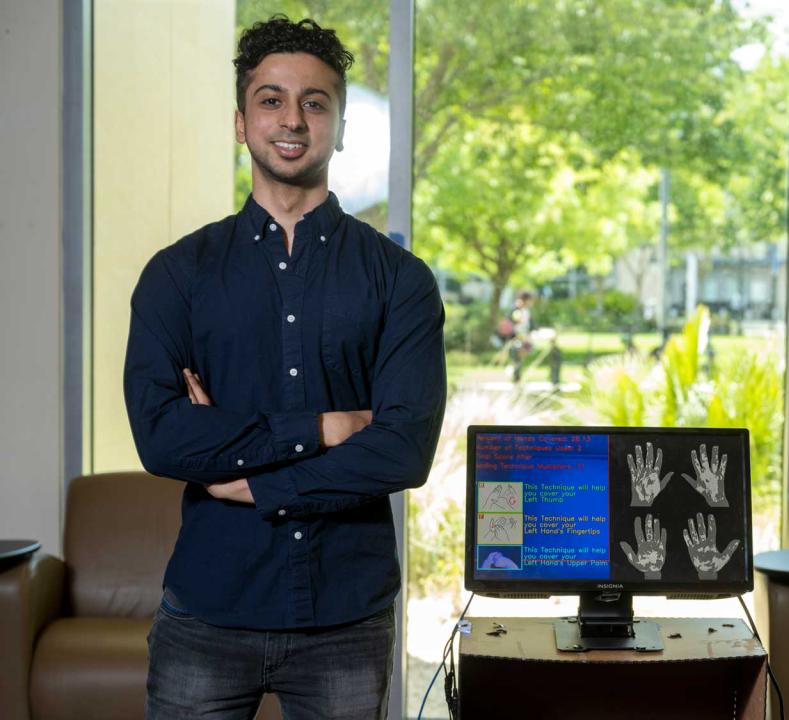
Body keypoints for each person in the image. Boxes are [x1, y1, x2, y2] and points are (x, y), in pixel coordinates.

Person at [123, 16, 446, 719]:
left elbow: (402, 450)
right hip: (209, 607)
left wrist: (245, 480)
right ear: (241, 122)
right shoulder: (177, 276)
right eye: (271, 100)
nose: (292, 119)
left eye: (315, 101)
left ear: (340, 123)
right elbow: (164, 440)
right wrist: (327, 426)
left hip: (346, 619)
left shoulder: (400, 281)